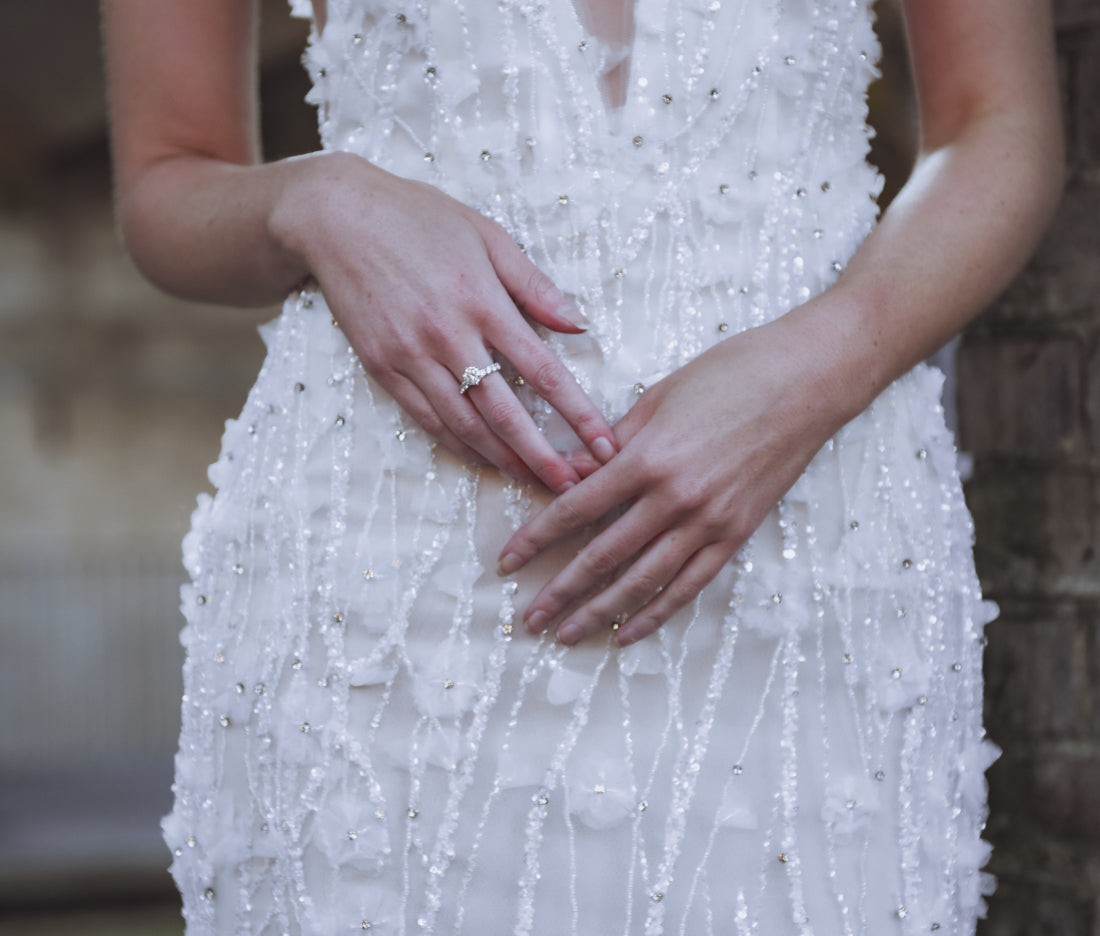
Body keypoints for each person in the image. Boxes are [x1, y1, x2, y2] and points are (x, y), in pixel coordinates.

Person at [103, 0, 1062, 933]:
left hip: (820, 558)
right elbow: (167, 177)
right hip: (389, 599)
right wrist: (319, 200)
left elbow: (997, 125)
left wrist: (824, 364)